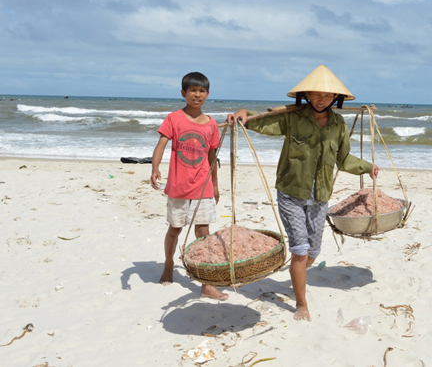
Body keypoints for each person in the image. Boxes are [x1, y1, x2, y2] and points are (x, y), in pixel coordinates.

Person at [226, 65, 380, 322]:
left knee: (313, 251)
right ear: (307, 94)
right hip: (291, 193)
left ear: (335, 98)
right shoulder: (292, 117)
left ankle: (297, 273)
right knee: (300, 249)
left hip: (320, 195)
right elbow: (262, 123)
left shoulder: (338, 124)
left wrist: (367, 167)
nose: (322, 99)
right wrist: (243, 113)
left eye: (327, 95)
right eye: (316, 94)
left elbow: (342, 159)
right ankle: (301, 303)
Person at [150, 72, 227, 300]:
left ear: (207, 95)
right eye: (192, 90)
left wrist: (215, 184)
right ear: (183, 93)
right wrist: (155, 169)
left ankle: (206, 282)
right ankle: (168, 265)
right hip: (179, 185)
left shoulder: (211, 123)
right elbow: (161, 144)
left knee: (203, 233)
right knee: (175, 229)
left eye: (202, 91)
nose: (197, 95)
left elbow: (212, 155)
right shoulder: (174, 118)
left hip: (203, 185)